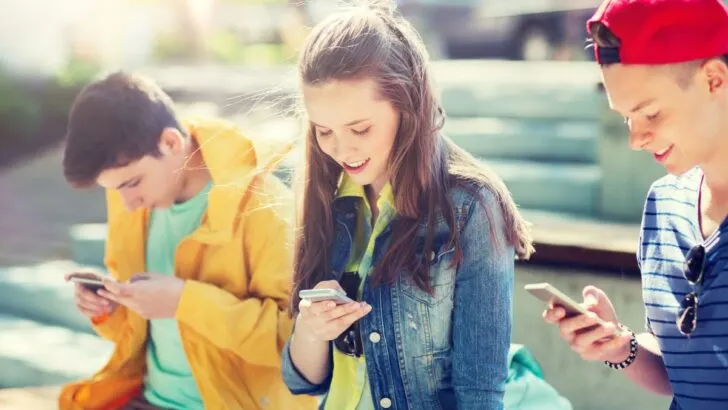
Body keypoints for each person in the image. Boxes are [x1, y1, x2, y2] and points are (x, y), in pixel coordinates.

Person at [280, 2, 535, 409]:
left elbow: (480, 392)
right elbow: (303, 382)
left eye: (359, 128)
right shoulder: (325, 194)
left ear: (407, 106)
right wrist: (311, 331)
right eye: (323, 131)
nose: (341, 149)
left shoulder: (470, 206)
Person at [58, 72, 317, 410]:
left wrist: (185, 301)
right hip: (147, 397)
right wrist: (111, 308)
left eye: (132, 183)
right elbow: (137, 332)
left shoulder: (264, 208)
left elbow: (296, 343)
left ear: (170, 142)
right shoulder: (136, 199)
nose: (127, 204)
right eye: (115, 190)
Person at [543, 0, 728, 408]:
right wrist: (619, 346)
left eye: (650, 113)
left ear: (714, 80)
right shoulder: (664, 206)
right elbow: (687, 371)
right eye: (626, 117)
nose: (635, 138)